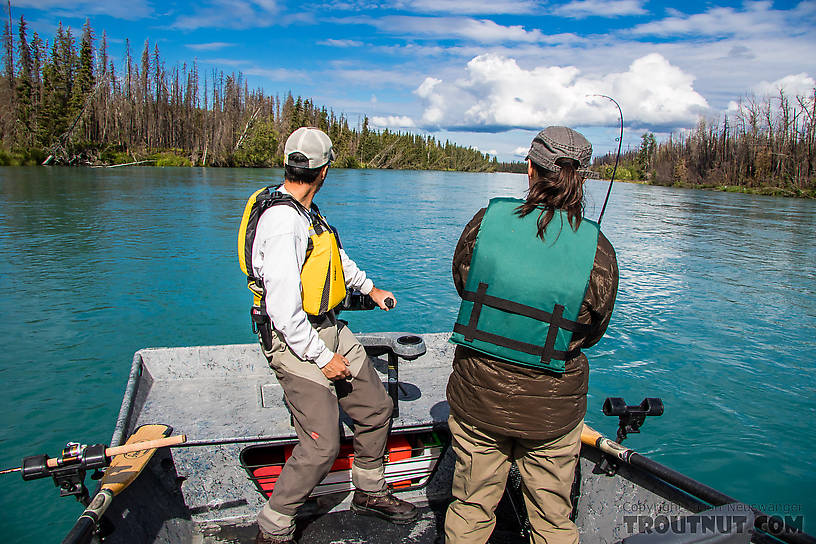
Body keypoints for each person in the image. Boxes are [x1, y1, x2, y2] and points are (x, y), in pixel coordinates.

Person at [444, 126, 619, 544]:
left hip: (478, 396)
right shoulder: (599, 249)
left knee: (469, 511)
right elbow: (593, 330)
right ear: (581, 177)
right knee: (554, 522)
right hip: (553, 410)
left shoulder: (486, 221)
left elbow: (465, 284)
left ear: (530, 169)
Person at [244, 127, 417, 544]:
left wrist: (369, 288)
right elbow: (283, 312)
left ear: (290, 164)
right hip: (293, 339)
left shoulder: (306, 211)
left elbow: (332, 256)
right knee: (322, 444)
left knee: (376, 408)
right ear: (325, 170)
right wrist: (323, 359)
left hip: (327, 327)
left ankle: (370, 491)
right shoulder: (283, 223)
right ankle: (274, 526)